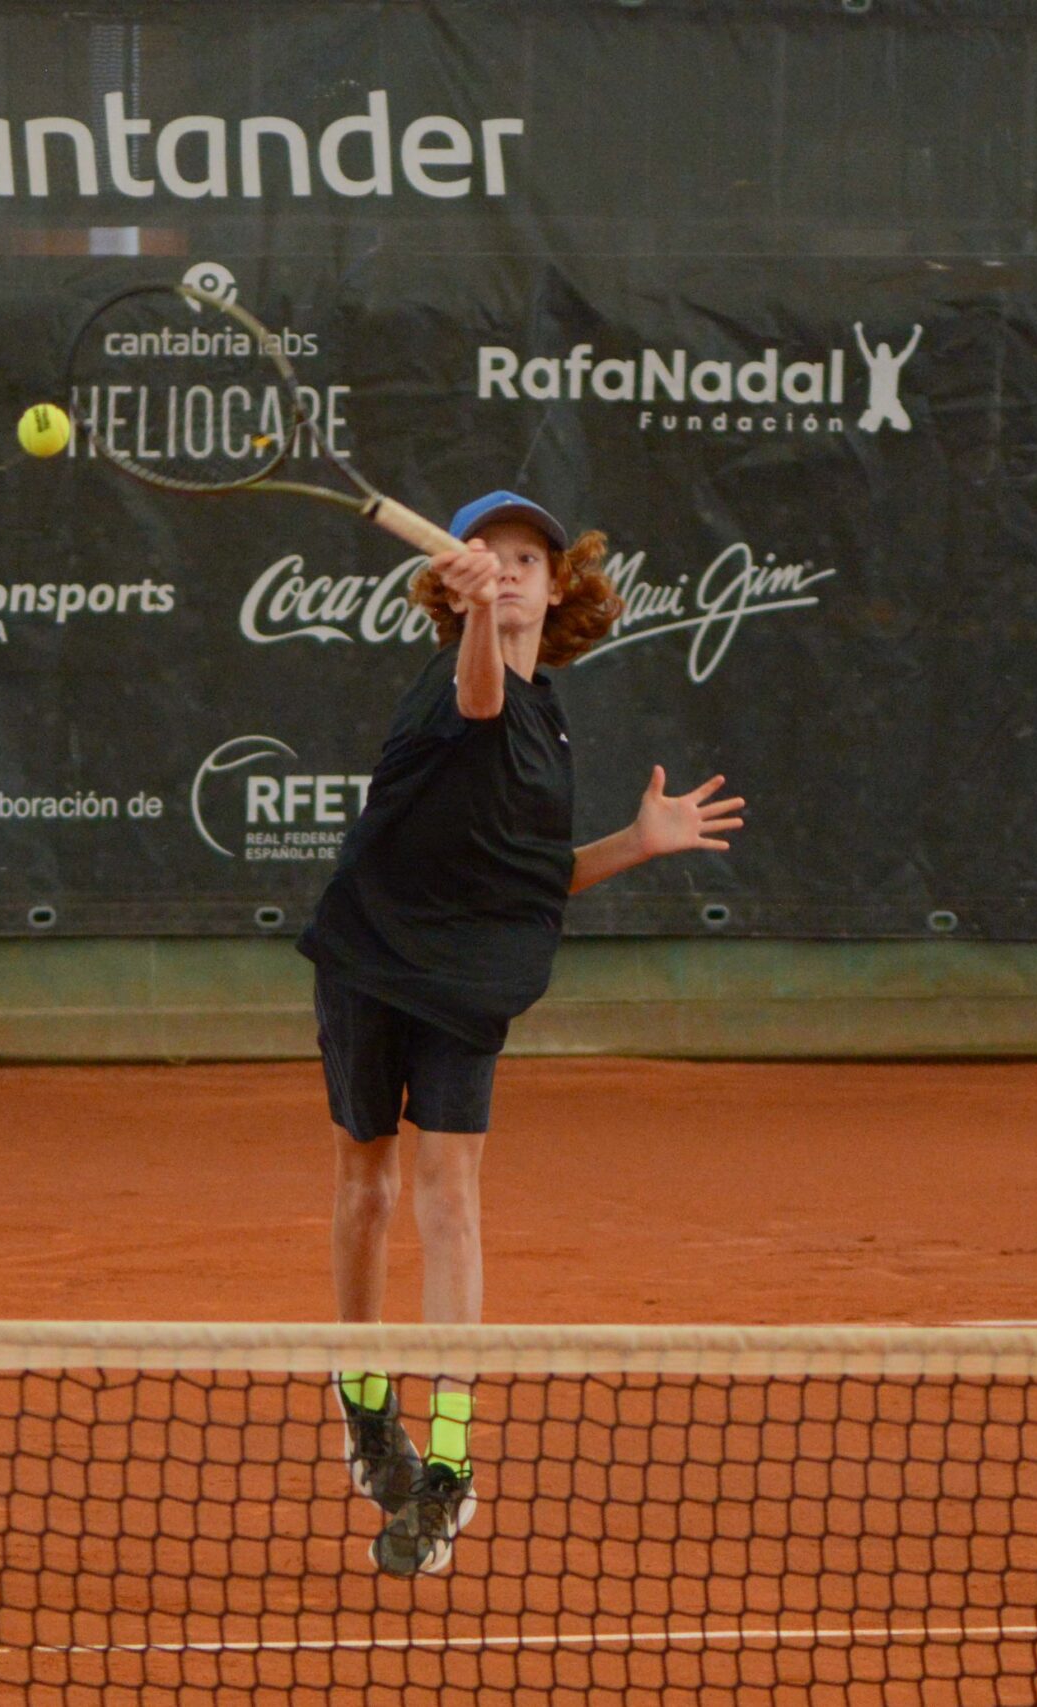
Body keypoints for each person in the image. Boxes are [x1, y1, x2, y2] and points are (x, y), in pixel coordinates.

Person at [295, 490, 748, 1577]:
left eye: (527, 560)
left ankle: (449, 1464)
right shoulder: (461, 682)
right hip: (370, 957)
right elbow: (479, 698)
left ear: (556, 586)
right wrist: (473, 623)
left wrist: (635, 843)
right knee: (367, 1189)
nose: (507, 570)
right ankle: (365, 1396)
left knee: (451, 1199)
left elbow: (531, 877)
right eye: (486, 555)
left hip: (466, 981)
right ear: (454, 583)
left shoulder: (550, 722)